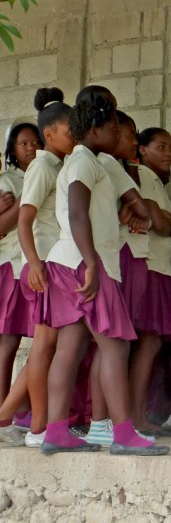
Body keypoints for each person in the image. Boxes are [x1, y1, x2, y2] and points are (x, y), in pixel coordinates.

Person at [41, 92, 168, 456]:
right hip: (85, 262)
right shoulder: (85, 163)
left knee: (71, 347)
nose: (118, 133)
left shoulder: (86, 161)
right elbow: (77, 213)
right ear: (96, 129)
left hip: (70, 261)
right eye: (114, 127)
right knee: (115, 346)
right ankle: (124, 434)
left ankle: (56, 431)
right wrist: (93, 263)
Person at [0, 92, 68, 448]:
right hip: (40, 264)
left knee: (47, 343)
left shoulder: (54, 166)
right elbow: (24, 220)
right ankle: (37, 424)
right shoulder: (40, 168)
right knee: (43, 344)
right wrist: (36, 264)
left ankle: (9, 415)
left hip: (48, 263)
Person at [129, 127, 171, 434]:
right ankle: (134, 415)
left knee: (151, 344)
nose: (168, 152)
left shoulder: (157, 183)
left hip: (160, 267)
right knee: (144, 343)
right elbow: (162, 224)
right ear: (142, 150)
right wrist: (159, 215)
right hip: (147, 265)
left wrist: (159, 214)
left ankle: (136, 414)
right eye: (161, 146)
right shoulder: (141, 175)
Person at [0, 118, 41, 409]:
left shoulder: (45, 172)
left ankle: (22, 410)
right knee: (8, 342)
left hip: (35, 265)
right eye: (23, 143)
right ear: (13, 149)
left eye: (35, 142)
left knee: (38, 341)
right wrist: (25, 197)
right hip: (12, 265)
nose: (30, 148)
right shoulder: (7, 181)